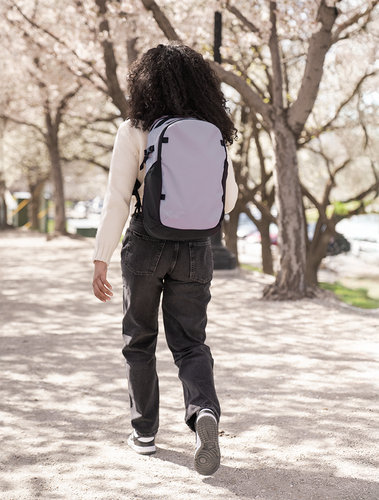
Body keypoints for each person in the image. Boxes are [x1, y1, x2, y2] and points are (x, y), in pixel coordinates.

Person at [92, 42, 238, 476]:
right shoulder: (212, 129)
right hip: (196, 247)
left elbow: (117, 199)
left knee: (139, 339)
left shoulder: (136, 128)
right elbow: (228, 200)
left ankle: (145, 434)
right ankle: (203, 413)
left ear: (145, 83)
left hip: (146, 244)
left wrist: (101, 256)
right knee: (190, 343)